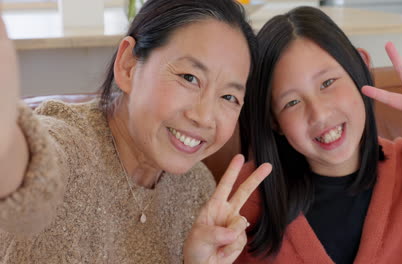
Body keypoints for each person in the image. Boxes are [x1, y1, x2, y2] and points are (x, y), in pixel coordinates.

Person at [0, 0, 272, 263]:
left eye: (229, 97)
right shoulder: (71, 147)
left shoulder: (197, 189)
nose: (204, 117)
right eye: (189, 78)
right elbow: (32, 164)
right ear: (128, 65)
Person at [235, 6, 402, 264]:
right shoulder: (247, 197)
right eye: (292, 102)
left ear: (361, 67)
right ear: (274, 121)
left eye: (327, 83)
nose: (320, 114)